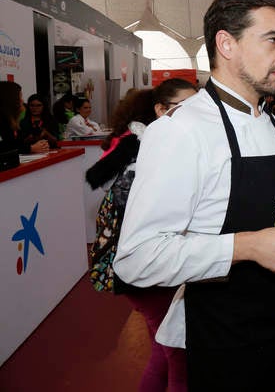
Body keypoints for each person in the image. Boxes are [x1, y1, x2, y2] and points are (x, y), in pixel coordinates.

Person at [113, 0, 275, 391]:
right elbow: (136, 258)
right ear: (226, 43)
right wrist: (244, 246)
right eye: (273, 40)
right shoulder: (181, 130)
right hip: (231, 349)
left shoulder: (274, 123)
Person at [86, 80, 197, 392]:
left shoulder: (145, 144)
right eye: (185, 106)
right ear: (160, 110)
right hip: (147, 268)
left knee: (165, 352)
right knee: (177, 357)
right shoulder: (146, 149)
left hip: (147, 267)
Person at [0, 81, 27, 154]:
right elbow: (6, 146)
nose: (22, 100)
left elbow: (16, 142)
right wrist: (30, 148)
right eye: (19, 97)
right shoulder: (2, 119)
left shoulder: (12, 119)